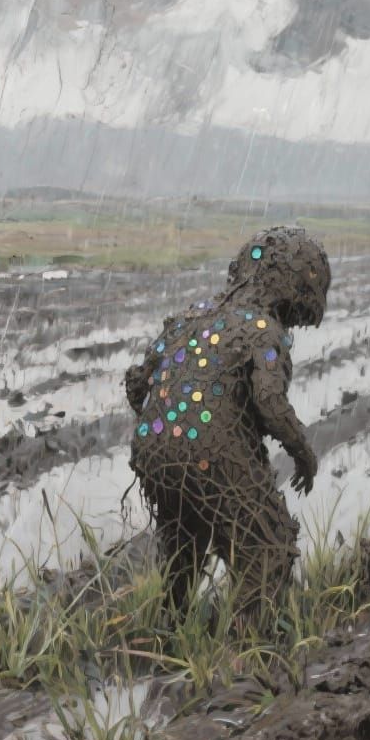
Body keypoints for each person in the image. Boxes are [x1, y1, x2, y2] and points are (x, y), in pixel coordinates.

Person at [124, 226, 329, 627]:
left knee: (184, 542)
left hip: (152, 450)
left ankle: (170, 627)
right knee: (268, 544)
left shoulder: (188, 318)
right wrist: (302, 454)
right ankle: (245, 653)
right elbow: (269, 403)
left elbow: (136, 382)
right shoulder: (262, 331)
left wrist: (165, 426)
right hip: (211, 451)